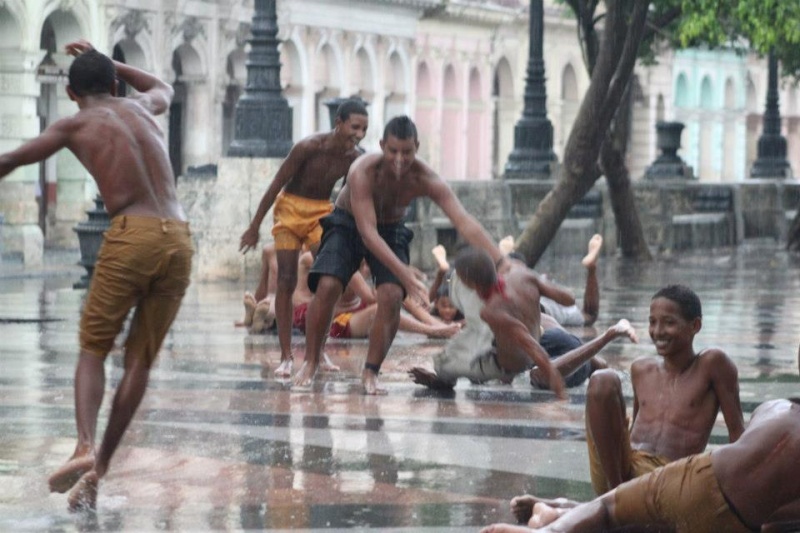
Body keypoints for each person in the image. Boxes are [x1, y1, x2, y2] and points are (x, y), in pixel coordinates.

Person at [0, 40, 193, 511]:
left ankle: (85, 445)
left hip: (133, 234)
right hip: (179, 239)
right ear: (113, 84)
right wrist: (112, 61)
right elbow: (162, 84)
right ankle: (97, 474)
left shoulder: (74, 123)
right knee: (139, 363)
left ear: (69, 92)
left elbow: (8, 161)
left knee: (93, 348)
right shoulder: (143, 106)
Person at [292, 115, 506, 394]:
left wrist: (502, 261)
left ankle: (371, 371)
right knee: (329, 284)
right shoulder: (362, 171)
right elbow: (367, 233)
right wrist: (405, 273)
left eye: (407, 152)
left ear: (416, 147)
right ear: (382, 145)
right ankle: (310, 360)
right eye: (393, 151)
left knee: (392, 295)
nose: (399, 160)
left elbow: (463, 220)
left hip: (391, 228)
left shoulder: (425, 178)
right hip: (348, 223)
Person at [509, 284, 745, 524]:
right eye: (652, 322)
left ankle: (566, 507)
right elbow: (632, 432)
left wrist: (740, 506)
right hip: (619, 470)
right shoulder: (641, 368)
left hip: (667, 476)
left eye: (669, 323)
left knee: (645, 511)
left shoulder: (713, 364)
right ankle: (616, 505)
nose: (658, 331)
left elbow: (739, 436)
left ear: (695, 326)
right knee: (603, 379)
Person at [481, 397, 800, 533]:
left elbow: (742, 449)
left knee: (611, 509)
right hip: (740, 522)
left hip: (704, 478)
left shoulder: (776, 408)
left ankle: (554, 523)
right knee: (659, 526)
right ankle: (557, 512)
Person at [239, 99, 368, 377]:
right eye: (354, 128)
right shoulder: (309, 147)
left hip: (321, 213)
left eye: (364, 130)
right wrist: (254, 227)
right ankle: (286, 356)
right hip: (289, 209)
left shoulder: (354, 158)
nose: (358, 135)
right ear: (339, 123)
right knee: (286, 279)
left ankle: (317, 351)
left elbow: (349, 198)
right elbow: (275, 185)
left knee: (330, 279)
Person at [504, 233, 603, 328]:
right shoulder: (539, 286)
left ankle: (507, 260)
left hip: (537, 301)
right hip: (537, 293)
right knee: (589, 315)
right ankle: (591, 268)